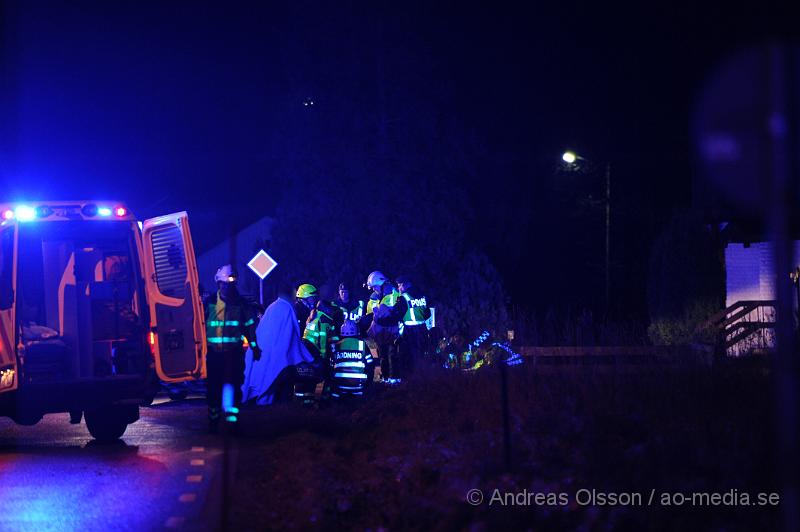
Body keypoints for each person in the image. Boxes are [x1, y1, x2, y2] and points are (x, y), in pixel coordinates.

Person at [204, 264, 260, 432]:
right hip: (213, 355)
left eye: (230, 284)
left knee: (234, 387)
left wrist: (255, 347)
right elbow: (198, 325)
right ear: (218, 284)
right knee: (213, 389)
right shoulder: (209, 303)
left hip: (234, 355)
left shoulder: (241, 304)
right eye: (223, 283)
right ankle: (213, 421)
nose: (226, 287)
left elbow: (249, 326)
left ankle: (232, 422)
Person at [241, 282, 314, 405]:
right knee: (281, 394)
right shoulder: (287, 309)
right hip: (282, 363)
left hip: (264, 356)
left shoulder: (273, 307)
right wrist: (310, 359)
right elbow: (292, 338)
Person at [294, 283, 339, 404]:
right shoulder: (298, 311)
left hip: (307, 349)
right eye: (311, 298)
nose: (314, 301)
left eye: (315, 298)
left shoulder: (312, 313)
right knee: (305, 377)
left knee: (307, 378)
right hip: (303, 350)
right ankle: (303, 404)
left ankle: (304, 403)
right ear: (302, 298)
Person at [363, 271, 407, 383]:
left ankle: (395, 379)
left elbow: (396, 311)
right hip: (380, 332)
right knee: (382, 355)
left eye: (374, 287)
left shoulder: (393, 294)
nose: (373, 289)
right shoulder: (374, 297)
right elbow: (370, 313)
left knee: (393, 354)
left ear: (381, 284)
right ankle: (385, 378)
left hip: (392, 329)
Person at [329, 319, 374, 400]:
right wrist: (368, 383)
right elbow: (371, 365)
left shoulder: (336, 346)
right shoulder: (362, 345)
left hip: (339, 388)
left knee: (332, 395)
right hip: (359, 388)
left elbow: (331, 366)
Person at [396, 275, 431, 373]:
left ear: (405, 285)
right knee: (421, 356)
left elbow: (397, 314)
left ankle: (410, 382)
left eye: (399, 285)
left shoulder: (404, 297)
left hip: (410, 332)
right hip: (423, 329)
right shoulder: (422, 295)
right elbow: (427, 313)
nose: (398, 288)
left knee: (408, 358)